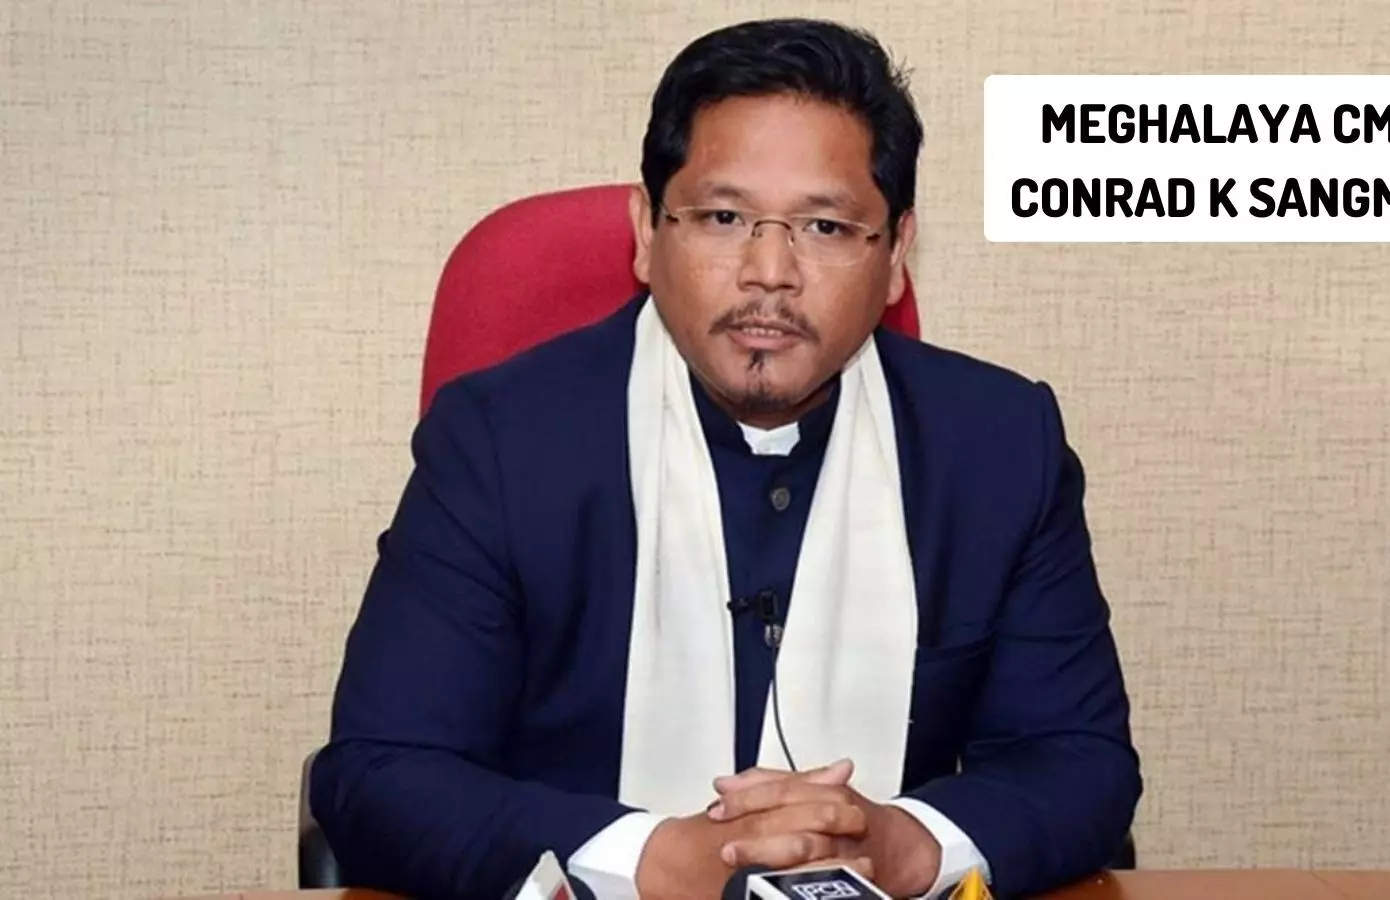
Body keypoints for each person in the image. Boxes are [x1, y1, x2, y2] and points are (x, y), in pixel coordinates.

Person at [309, 16, 1141, 900]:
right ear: (646, 231)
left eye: (825, 226)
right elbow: (381, 772)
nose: (769, 271)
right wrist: (658, 859)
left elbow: (1080, 764)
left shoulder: (999, 445)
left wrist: (903, 845)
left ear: (897, 253)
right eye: (722, 217)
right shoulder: (499, 441)